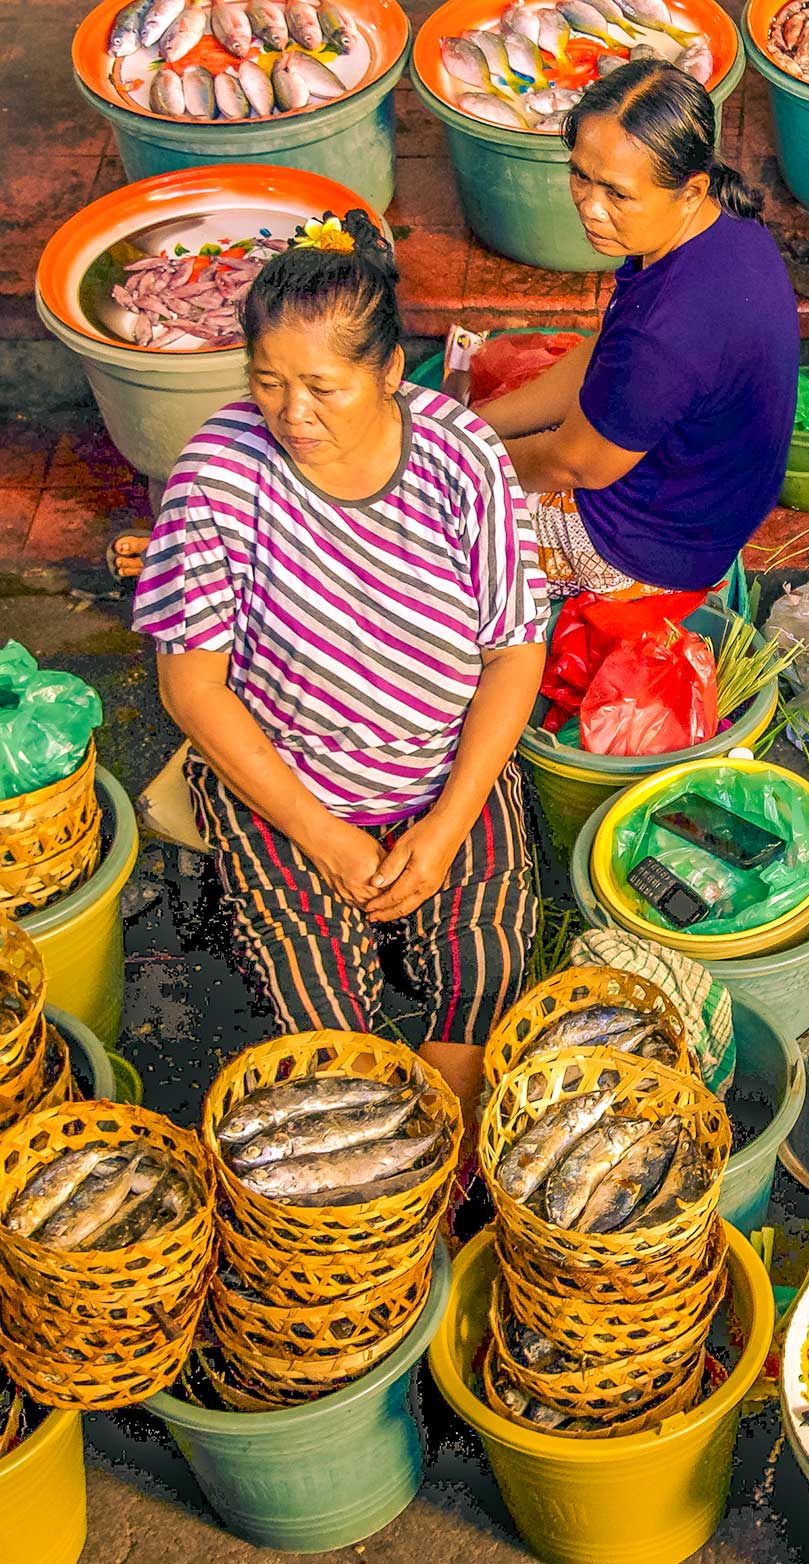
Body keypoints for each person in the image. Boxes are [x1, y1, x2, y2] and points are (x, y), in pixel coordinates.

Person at [130, 209, 548, 1136]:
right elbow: (190, 687)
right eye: (268, 382)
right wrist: (323, 835)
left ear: (390, 372)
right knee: (320, 1019)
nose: (292, 412)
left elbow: (515, 649)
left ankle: (446, 1164)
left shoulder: (460, 458)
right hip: (289, 787)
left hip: (443, 772)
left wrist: (443, 830)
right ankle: (388, 1149)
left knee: (483, 979)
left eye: (322, 386)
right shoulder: (216, 477)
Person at [474, 59, 800, 600]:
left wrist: (466, 461)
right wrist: (480, 425)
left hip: (647, 550)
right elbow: (604, 352)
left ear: (690, 190)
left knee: (437, 533)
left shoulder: (665, 333)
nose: (590, 208)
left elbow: (574, 464)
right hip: (707, 503)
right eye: (580, 174)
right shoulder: (723, 226)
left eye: (617, 194)